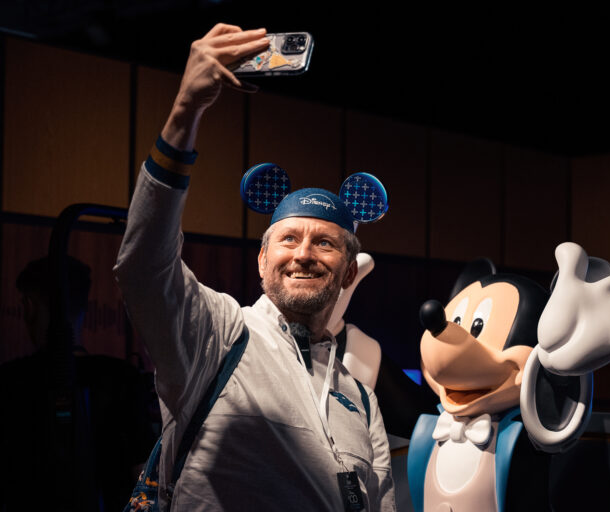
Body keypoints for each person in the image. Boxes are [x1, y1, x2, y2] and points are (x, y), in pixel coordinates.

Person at [114, 23, 394, 511]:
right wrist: (185, 113)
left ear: (349, 273)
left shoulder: (360, 397)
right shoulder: (217, 335)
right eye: (288, 238)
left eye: (325, 243)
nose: (304, 253)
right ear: (263, 261)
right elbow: (144, 266)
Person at [0, 256, 155, 511]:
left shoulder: (9, 383)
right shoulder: (123, 379)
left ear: (28, 307)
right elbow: (145, 476)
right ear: (85, 307)